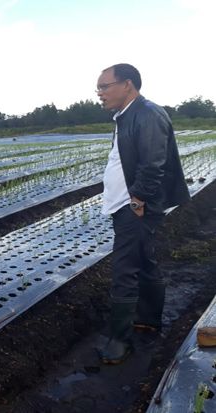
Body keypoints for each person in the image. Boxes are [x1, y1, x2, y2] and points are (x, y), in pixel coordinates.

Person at [96, 64, 190, 364]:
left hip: (133, 207)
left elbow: (152, 164)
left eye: (105, 86)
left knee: (125, 269)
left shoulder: (147, 114)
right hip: (126, 204)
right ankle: (148, 319)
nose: (100, 93)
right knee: (144, 259)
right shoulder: (126, 116)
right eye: (98, 88)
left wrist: (137, 200)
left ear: (127, 84)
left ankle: (119, 341)